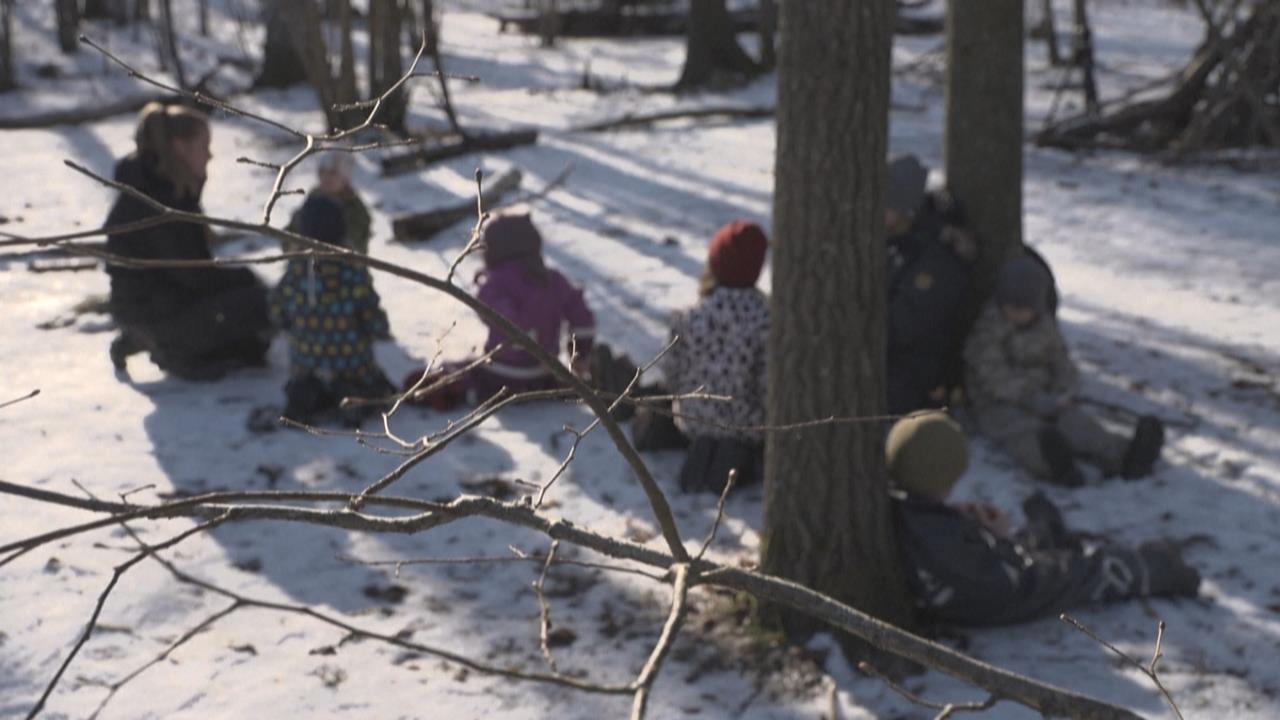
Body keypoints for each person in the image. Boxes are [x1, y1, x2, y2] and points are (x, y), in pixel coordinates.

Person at [888, 410, 1200, 626]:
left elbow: (949, 542)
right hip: (998, 597)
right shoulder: (939, 540)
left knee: (1037, 545)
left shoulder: (906, 508)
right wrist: (1004, 538)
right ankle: (1154, 569)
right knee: (1076, 573)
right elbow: (1008, 579)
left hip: (975, 583)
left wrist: (963, 520)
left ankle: (1046, 538)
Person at [104, 102, 273, 380]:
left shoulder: (168, 188)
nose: (210, 155)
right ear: (180, 147)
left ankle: (150, 339)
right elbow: (193, 275)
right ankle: (172, 349)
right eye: (203, 146)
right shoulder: (156, 204)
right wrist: (246, 281)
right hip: (156, 310)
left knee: (250, 324)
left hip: (153, 306)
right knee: (257, 306)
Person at [963, 256, 1164, 486]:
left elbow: (1060, 360)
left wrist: (1064, 390)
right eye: (1011, 307)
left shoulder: (1045, 327)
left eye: (1023, 308)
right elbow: (992, 374)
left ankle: (1124, 456)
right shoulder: (988, 330)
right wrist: (1029, 397)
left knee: (1075, 423)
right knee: (1023, 433)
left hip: (1047, 396)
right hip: (999, 403)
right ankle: (1055, 464)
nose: (1016, 313)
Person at [402, 208, 596, 408]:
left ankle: (463, 391)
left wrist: (525, 340)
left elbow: (503, 319)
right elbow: (581, 317)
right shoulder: (554, 280)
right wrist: (580, 352)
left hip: (503, 371)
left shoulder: (495, 283)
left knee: (461, 370)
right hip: (542, 370)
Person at [660, 220, 769, 493]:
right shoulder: (765, 320)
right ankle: (735, 457)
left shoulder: (687, 317)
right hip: (748, 425)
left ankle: (708, 451)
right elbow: (769, 387)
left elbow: (671, 373)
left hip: (693, 418)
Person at [271, 194, 394, 426]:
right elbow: (373, 318)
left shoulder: (295, 272)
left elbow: (277, 309)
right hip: (352, 364)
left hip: (306, 363)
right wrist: (379, 329)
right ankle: (351, 396)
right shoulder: (351, 272)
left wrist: (292, 325)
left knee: (306, 378)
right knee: (369, 382)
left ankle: (307, 396)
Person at [883, 154, 977, 415]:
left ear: (905, 209)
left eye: (886, 204)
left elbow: (903, 327)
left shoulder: (936, 260)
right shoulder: (895, 240)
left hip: (916, 371)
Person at [288, 154, 372, 255]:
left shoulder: (353, 206)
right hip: (307, 261)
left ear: (345, 177)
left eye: (333, 173)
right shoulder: (313, 198)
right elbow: (292, 233)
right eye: (323, 172)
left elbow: (358, 242)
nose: (327, 178)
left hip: (341, 264)